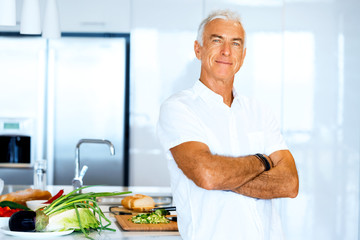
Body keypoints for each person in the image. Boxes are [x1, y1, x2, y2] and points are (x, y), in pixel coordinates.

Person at [157, 9, 299, 240]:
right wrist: (262, 161)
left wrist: (221, 175)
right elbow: (207, 175)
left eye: (235, 43)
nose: (226, 51)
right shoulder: (178, 108)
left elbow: (289, 183)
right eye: (217, 40)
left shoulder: (260, 111)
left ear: (242, 56)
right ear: (198, 49)